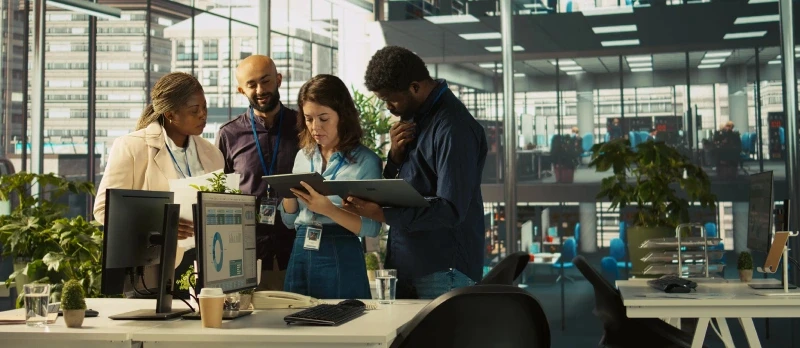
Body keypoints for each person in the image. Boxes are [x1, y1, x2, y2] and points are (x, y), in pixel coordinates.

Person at [344, 46, 488, 299]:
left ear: (414, 87)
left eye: (391, 99)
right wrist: (395, 157)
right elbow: (411, 187)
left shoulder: (453, 128)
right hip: (407, 263)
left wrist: (381, 213)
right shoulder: (414, 118)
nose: (389, 107)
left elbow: (451, 209)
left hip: (443, 270)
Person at [94, 72, 224, 295]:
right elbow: (104, 209)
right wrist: (163, 224)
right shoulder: (132, 147)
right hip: (153, 268)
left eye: (205, 107)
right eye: (194, 110)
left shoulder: (212, 154)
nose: (203, 115)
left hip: (206, 265)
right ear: (170, 114)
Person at [279, 74, 382, 299]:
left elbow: (372, 228)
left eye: (323, 118)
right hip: (301, 246)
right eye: (308, 119)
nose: (315, 127)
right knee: (295, 317)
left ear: (342, 116)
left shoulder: (367, 161)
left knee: (343, 318)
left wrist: (329, 210)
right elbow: (288, 221)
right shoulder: (302, 156)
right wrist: (287, 194)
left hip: (341, 249)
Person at [216, 55, 300, 291]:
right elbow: (219, 194)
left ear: (279, 80)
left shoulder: (303, 126)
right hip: (247, 252)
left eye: (266, 81)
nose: (260, 90)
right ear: (241, 90)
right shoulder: (228, 135)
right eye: (251, 84)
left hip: (298, 246)